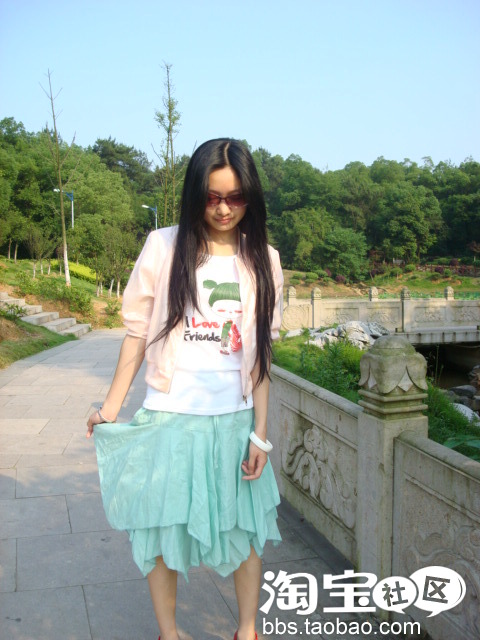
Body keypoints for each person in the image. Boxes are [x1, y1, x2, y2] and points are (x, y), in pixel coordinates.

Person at [87, 138, 284, 640]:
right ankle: (169, 633)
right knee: (160, 527)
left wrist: (261, 434)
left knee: (245, 531)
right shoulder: (164, 246)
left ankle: (247, 630)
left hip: (234, 419)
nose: (223, 209)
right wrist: (110, 408)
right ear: (196, 194)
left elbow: (262, 357)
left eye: (235, 197)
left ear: (250, 198)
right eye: (212, 196)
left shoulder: (264, 259)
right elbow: (137, 333)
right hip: (170, 416)